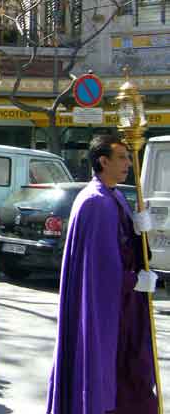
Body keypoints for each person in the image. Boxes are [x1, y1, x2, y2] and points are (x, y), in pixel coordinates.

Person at [46, 134, 159, 414]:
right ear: (103, 161)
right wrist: (135, 281)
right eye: (121, 158)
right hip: (109, 307)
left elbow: (130, 250)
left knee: (133, 374)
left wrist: (139, 232)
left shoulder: (116, 196)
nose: (128, 164)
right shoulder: (94, 202)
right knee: (109, 372)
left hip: (126, 306)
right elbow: (100, 270)